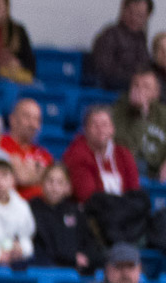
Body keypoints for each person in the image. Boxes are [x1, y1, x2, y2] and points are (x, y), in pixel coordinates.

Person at [63, 105, 155, 250]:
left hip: (123, 218)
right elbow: (87, 196)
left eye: (105, 124)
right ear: (85, 130)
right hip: (94, 220)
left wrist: (118, 205)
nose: (101, 130)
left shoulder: (123, 154)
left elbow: (133, 190)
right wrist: (121, 204)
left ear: (112, 129)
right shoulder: (77, 154)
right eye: (94, 125)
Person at [110, 69, 166, 181]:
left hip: (158, 167)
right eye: (136, 86)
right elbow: (123, 146)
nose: (140, 90)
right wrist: (141, 115)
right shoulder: (117, 111)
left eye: (146, 87)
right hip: (132, 165)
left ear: (156, 92)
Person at [30, 163, 101, 272]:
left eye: (60, 182)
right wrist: (72, 258)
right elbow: (43, 248)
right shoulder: (32, 209)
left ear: (67, 187)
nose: (54, 187)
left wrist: (87, 258)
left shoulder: (75, 211)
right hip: (48, 269)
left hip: (78, 270)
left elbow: (89, 242)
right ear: (42, 183)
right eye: (50, 181)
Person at [87, 0, 153, 90]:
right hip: (114, 88)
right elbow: (104, 70)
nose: (134, 18)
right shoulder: (109, 35)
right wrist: (134, 79)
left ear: (147, 17)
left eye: (139, 15)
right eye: (130, 12)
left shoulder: (141, 38)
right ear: (123, 9)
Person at [0, 97, 52, 201]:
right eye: (27, 117)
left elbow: (52, 180)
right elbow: (20, 178)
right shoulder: (0, 144)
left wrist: (23, 171)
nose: (33, 124)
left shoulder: (44, 153)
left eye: (37, 119)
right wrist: (39, 173)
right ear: (12, 119)